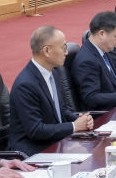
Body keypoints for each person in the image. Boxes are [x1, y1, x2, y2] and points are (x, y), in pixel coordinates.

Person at [9, 26, 95, 157]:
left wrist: (80, 119)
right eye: (63, 47)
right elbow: (36, 130)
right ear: (47, 51)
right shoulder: (26, 84)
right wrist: (74, 126)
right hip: (34, 150)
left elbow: (61, 111)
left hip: (55, 141)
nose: (66, 52)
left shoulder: (53, 73)